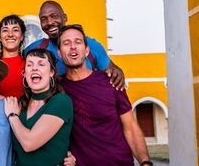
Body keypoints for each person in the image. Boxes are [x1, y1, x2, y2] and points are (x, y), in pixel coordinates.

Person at [57, 24, 153, 166]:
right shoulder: (58, 90)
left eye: (78, 42)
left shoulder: (111, 81)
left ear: (87, 50)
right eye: (66, 43)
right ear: (59, 53)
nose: (73, 47)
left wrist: (145, 162)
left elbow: (130, 127)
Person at [24, 0, 125, 89]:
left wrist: (118, 73)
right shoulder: (35, 49)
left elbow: (112, 71)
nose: (49, 22)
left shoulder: (89, 45)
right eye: (43, 19)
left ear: (64, 18)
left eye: (54, 16)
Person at [4, 48, 74, 166]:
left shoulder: (61, 102)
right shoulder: (21, 104)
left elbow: (28, 144)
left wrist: (12, 116)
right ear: (25, 73)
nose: (34, 68)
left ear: (52, 72)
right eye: (29, 65)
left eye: (41, 64)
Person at [0, 14, 26, 98]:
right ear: (0, 37)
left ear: (22, 36)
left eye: (15, 30)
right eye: (5, 30)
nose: (10, 34)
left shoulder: (29, 63)